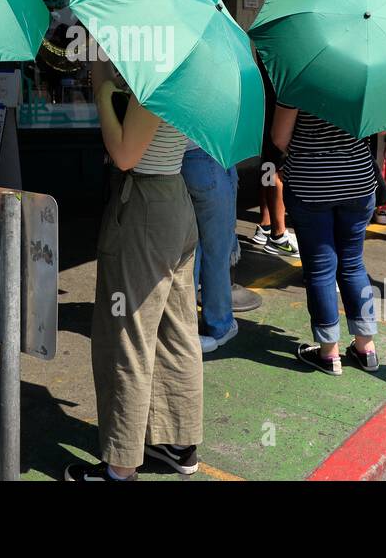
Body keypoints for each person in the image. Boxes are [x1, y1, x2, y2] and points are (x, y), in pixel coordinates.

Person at [66, 58, 201, 481]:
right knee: (176, 327)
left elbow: (124, 154)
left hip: (144, 204)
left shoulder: (158, 75)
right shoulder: (189, 67)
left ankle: (121, 467)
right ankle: (178, 443)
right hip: (174, 199)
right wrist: (104, 72)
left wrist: (104, 93)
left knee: (128, 334)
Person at [271, 105, 380, 374]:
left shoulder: (299, 80)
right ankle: (366, 348)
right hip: (358, 180)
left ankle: (329, 353)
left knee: (320, 269)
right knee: (353, 264)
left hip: (311, 181)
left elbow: (279, 138)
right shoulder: (365, 75)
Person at [182, 140, 252, 354]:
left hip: (176, 163)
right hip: (210, 156)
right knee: (217, 252)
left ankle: (185, 328)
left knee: (188, 255)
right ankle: (219, 325)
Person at [252, 57, 298, 258]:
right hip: (279, 117)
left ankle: (266, 224)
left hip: (268, 113)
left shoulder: (268, 43)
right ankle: (277, 234)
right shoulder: (285, 51)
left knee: (268, 169)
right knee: (276, 173)